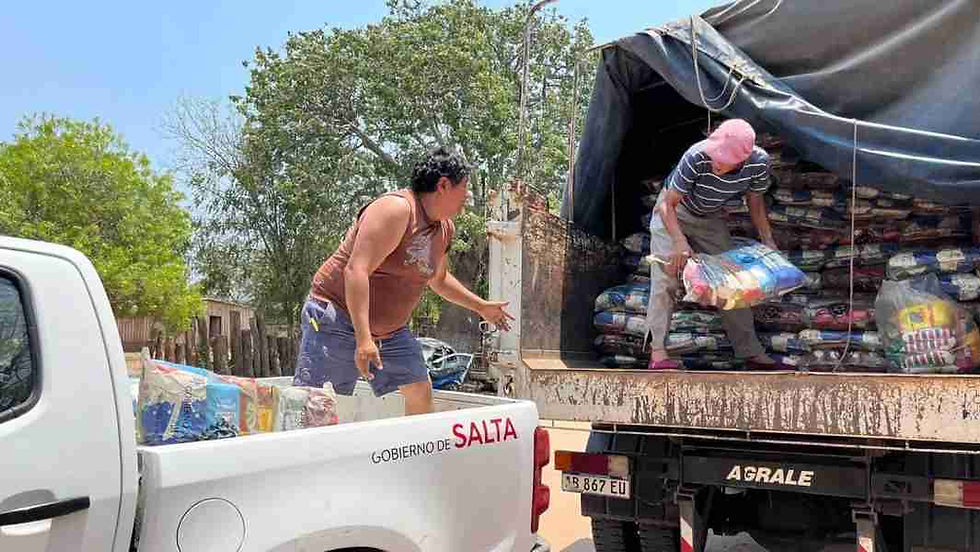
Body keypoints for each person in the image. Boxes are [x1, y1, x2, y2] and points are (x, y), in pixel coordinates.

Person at [294, 147, 513, 415]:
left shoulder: (444, 229)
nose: (467, 196)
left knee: (419, 391)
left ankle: (416, 456)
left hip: (391, 332)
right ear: (443, 185)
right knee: (319, 405)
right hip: (337, 319)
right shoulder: (396, 210)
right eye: (464, 187)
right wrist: (364, 339)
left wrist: (481, 306)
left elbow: (439, 280)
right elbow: (356, 271)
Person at [646, 119, 776, 370]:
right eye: (716, 155)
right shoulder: (696, 155)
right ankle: (658, 354)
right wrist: (679, 241)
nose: (717, 162)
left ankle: (750, 352)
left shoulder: (759, 163)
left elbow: (755, 202)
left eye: (724, 159)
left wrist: (768, 240)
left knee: (730, 281)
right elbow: (666, 204)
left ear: (743, 159)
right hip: (674, 212)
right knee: (666, 278)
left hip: (710, 217)